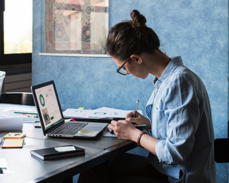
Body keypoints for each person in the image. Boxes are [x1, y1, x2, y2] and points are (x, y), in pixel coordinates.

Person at [78, 10, 216, 183]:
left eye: (123, 68)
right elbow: (179, 129)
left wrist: (134, 134)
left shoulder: (179, 83)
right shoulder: (167, 80)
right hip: (166, 171)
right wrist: (148, 123)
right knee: (96, 168)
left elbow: (176, 153)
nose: (127, 72)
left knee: (99, 175)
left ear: (136, 58)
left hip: (180, 178)